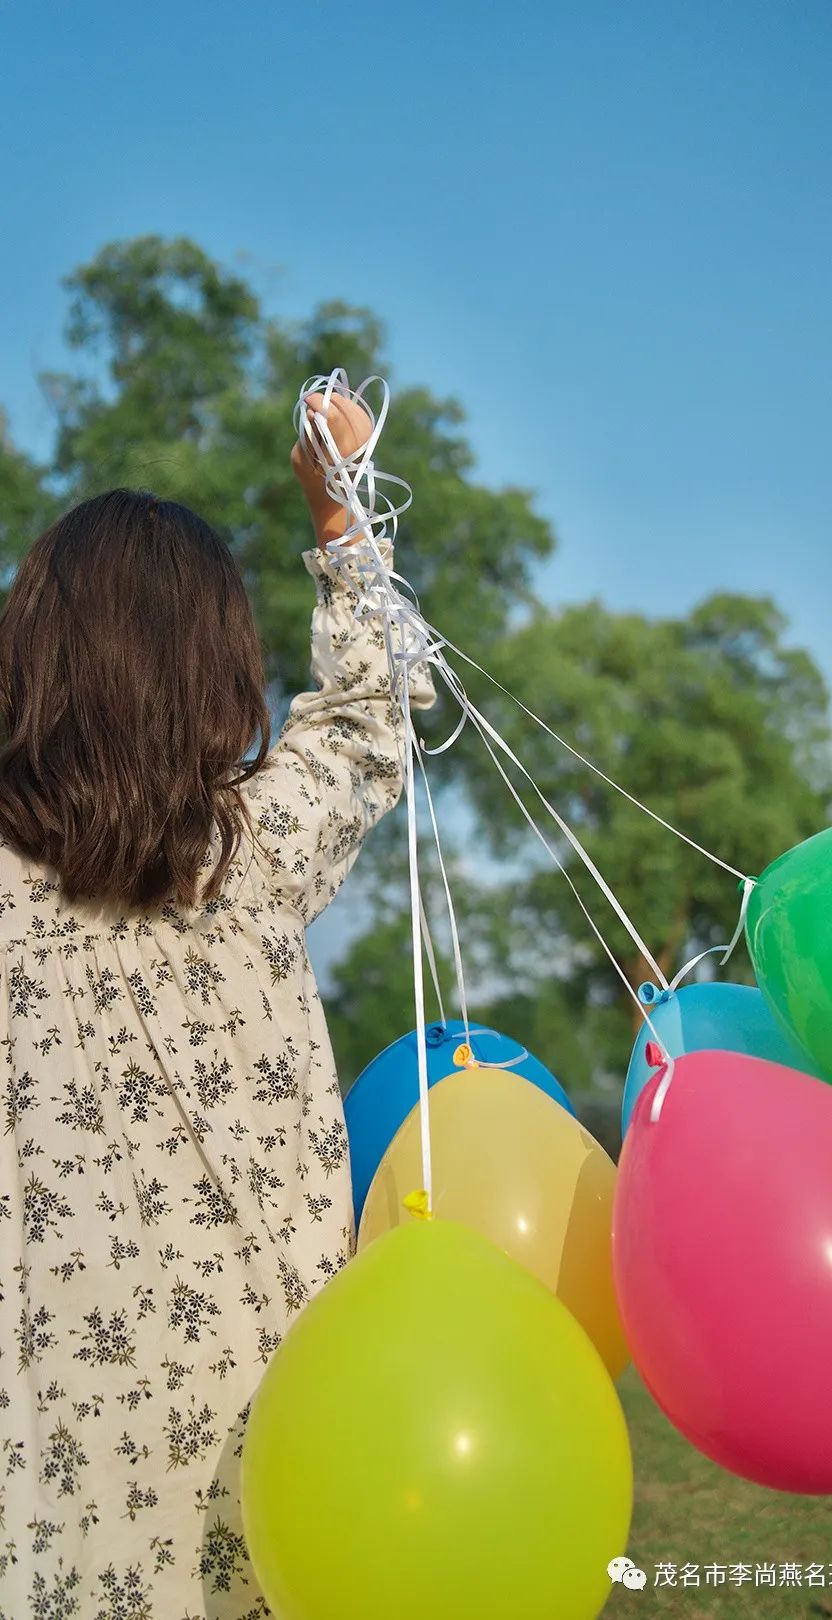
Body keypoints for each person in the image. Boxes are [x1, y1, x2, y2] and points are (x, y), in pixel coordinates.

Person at [0, 389, 437, 1617]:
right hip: (267, 1437)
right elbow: (365, 721)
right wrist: (342, 515)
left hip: (48, 1467)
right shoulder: (251, 857)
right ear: (219, 677)